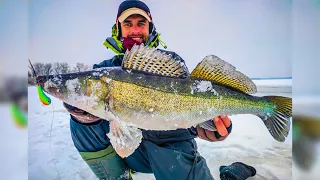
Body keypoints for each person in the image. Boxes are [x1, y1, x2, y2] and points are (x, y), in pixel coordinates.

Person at [63, 0, 234, 179]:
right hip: (130, 155)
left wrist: (204, 127)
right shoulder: (103, 70)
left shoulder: (169, 62)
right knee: (80, 122)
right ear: (118, 28)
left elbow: (184, 109)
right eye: (128, 24)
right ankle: (117, 176)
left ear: (150, 26)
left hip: (169, 151)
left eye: (141, 23)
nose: (135, 30)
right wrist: (82, 115)